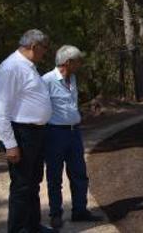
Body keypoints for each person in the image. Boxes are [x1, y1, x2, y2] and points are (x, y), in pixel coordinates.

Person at [0, 29, 54, 233]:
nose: (45, 53)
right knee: (21, 186)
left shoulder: (28, 67)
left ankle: (33, 226)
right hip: (22, 133)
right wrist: (10, 145)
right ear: (34, 47)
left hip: (35, 133)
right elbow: (1, 111)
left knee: (33, 183)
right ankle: (18, 230)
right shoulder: (11, 68)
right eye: (44, 49)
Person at [43, 45, 103, 229]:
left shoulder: (73, 78)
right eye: (78, 61)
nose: (80, 64)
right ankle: (55, 214)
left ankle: (79, 211)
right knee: (54, 176)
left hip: (74, 132)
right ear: (68, 62)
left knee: (79, 173)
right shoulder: (46, 80)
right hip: (54, 134)